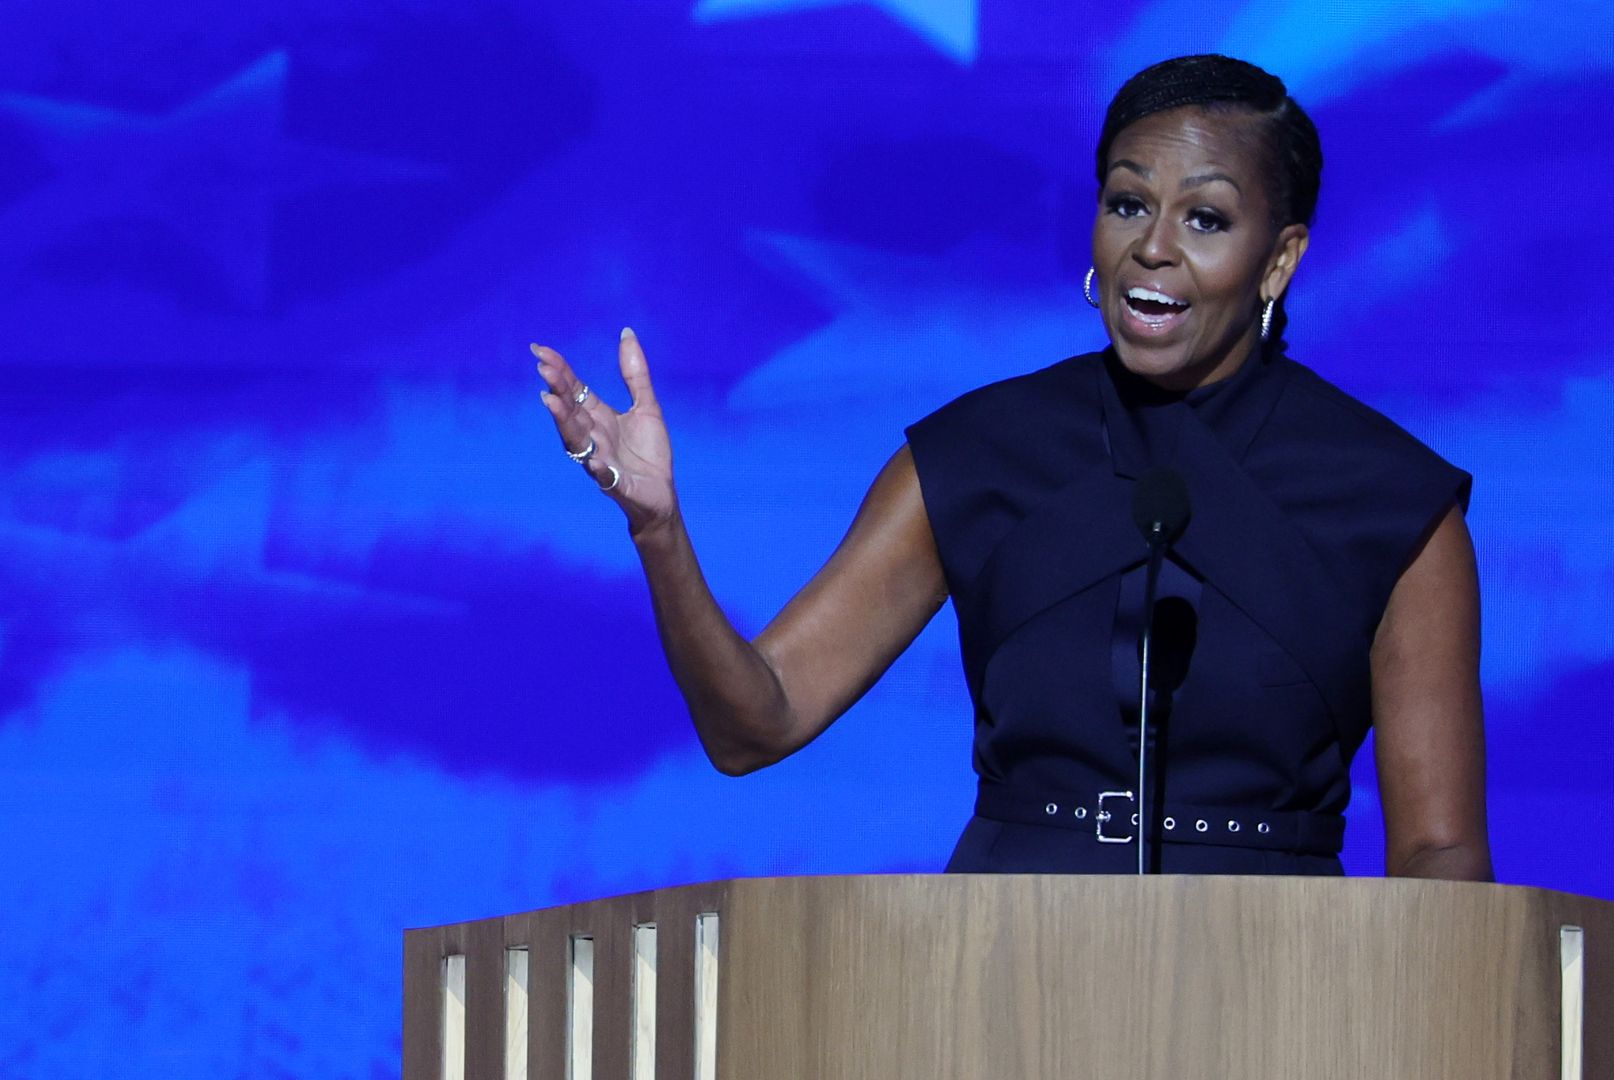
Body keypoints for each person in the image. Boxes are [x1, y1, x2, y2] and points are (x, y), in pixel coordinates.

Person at [531, 54, 1492, 881]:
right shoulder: (980, 453)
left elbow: (1441, 852)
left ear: (1278, 262)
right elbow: (756, 723)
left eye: (1205, 219)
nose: (1153, 249)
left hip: (1288, 978)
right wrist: (660, 532)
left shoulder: (1392, 504)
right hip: (999, 965)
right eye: (1127, 204)